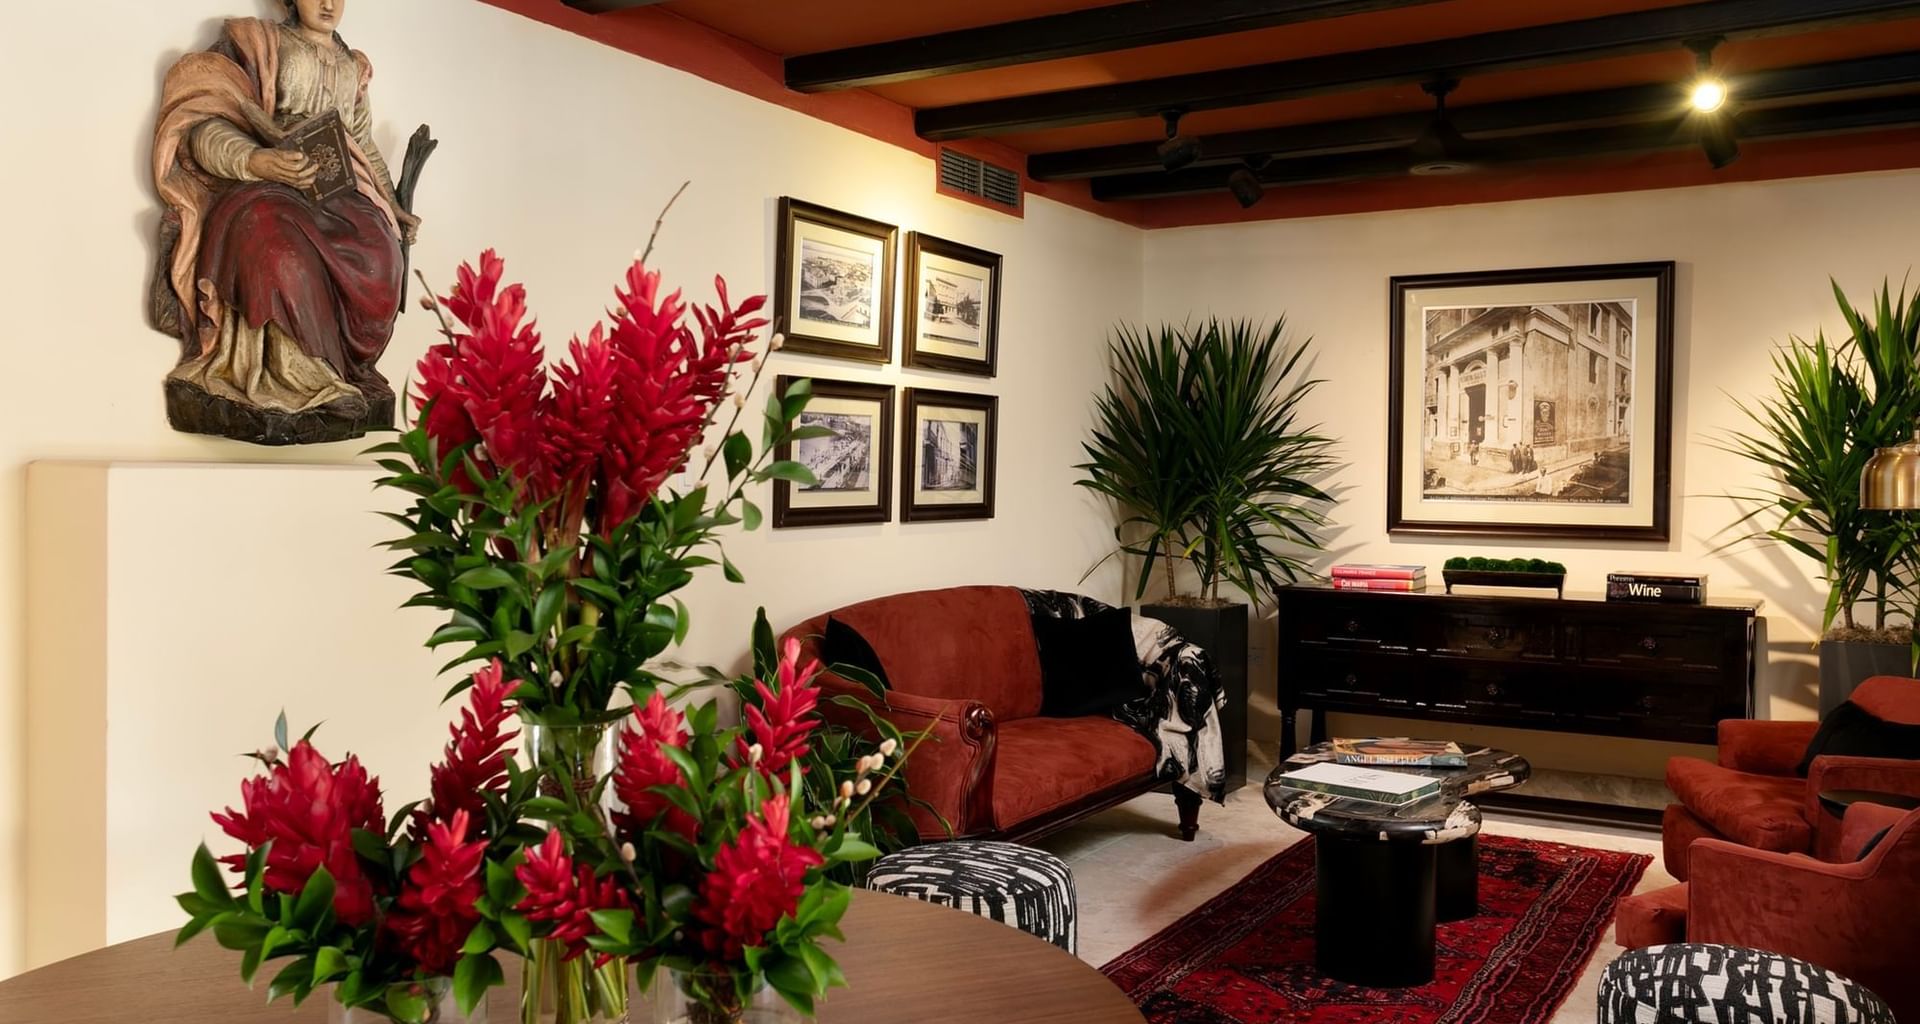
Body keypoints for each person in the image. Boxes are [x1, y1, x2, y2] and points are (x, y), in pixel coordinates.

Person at [152, 0, 421, 439]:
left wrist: (392, 206)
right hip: (265, 185)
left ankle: (346, 370)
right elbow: (204, 123)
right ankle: (290, 375)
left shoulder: (354, 67)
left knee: (381, 258)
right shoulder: (257, 44)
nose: (329, 4)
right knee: (275, 242)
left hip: (338, 192)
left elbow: (363, 146)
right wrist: (258, 160)